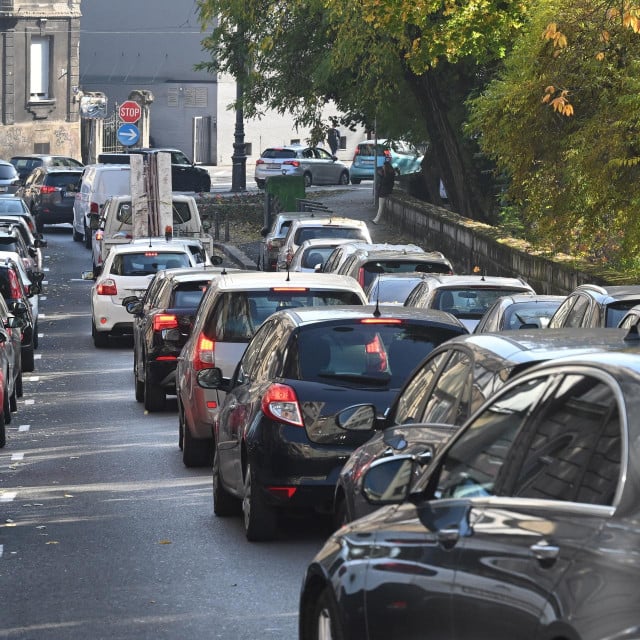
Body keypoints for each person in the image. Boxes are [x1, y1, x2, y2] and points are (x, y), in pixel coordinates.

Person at [372, 157, 396, 224]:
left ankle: (376, 220)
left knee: (381, 207)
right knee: (383, 207)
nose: (382, 167)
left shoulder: (387, 175)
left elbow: (383, 183)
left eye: (383, 166)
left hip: (383, 192)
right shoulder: (390, 174)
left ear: (386, 167)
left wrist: (381, 176)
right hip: (386, 191)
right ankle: (378, 220)